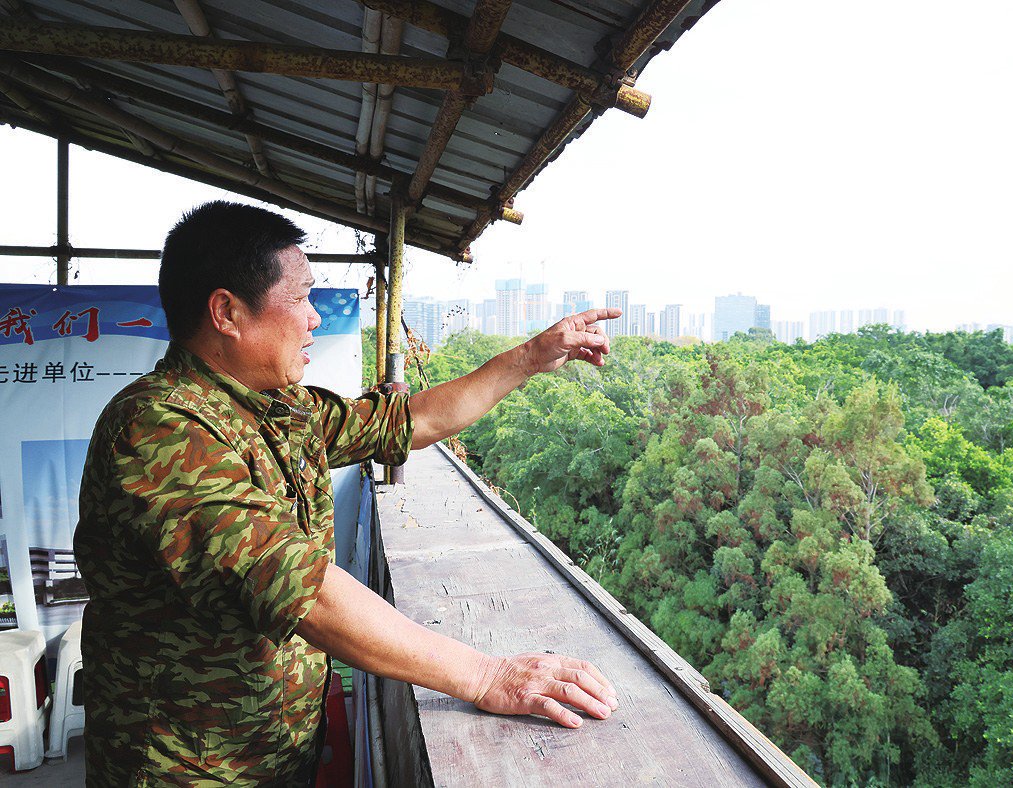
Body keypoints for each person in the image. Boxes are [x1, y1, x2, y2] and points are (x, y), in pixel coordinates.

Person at [74, 201, 622, 785]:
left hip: (271, 756)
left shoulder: (278, 411)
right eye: (301, 297)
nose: (314, 319)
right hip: (185, 772)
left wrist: (532, 357)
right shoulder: (160, 429)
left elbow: (412, 422)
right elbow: (305, 591)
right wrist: (486, 676)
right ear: (226, 312)